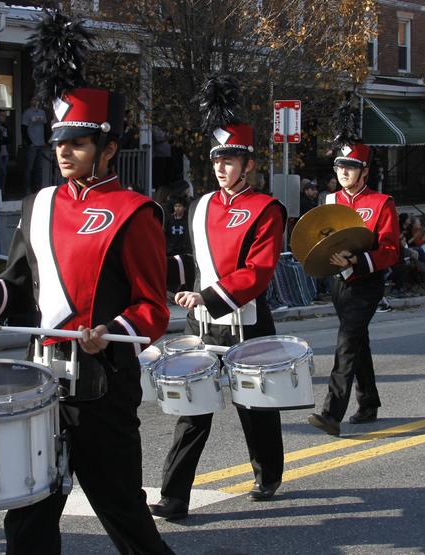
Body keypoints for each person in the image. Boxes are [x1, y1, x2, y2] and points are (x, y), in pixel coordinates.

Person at [0, 9, 175, 555]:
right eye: (59, 142)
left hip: (102, 382)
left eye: (77, 143)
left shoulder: (135, 212)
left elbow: (153, 306)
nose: (63, 152)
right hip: (41, 377)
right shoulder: (39, 204)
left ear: (107, 149)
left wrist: (114, 329)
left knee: (122, 509)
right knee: (30, 509)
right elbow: (22, 281)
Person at [150, 75, 287, 520]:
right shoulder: (201, 204)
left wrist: (208, 295)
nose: (222, 168)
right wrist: (163, 277)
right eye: (217, 160)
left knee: (256, 408)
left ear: (248, 163)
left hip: (245, 319)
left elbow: (259, 271)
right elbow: (194, 261)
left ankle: (267, 474)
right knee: (193, 411)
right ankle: (174, 497)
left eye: (230, 160)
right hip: (202, 324)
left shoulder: (267, 208)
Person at [308, 95, 399, 436]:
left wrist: (358, 261)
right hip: (338, 283)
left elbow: (391, 250)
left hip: (366, 282)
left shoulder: (381, 203)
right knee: (357, 341)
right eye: (339, 166)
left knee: (347, 341)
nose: (343, 171)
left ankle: (332, 411)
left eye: (350, 166)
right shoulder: (328, 201)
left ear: (364, 170)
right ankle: (370, 401)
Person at [21, 101, 47, 194]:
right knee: (29, 168)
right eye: (34, 99)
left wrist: (46, 141)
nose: (36, 101)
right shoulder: (27, 113)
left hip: (41, 144)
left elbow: (45, 126)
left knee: (39, 169)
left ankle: (38, 189)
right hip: (32, 145)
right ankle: (27, 189)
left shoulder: (42, 113)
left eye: (37, 99)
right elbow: (23, 128)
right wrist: (29, 142)